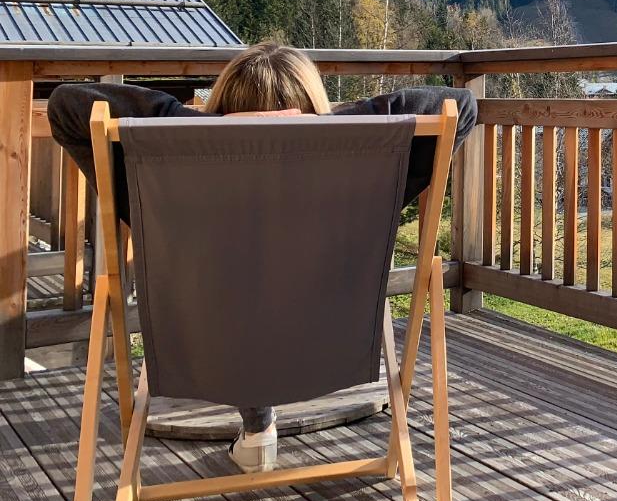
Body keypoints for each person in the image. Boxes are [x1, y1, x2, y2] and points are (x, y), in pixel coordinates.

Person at [47, 41, 476, 474]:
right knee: (268, 289)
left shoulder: (169, 176)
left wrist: (189, 127)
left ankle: (257, 428)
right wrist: (329, 127)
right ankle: (260, 428)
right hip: (323, 340)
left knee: (241, 291)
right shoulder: (355, 177)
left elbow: (67, 105)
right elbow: (461, 105)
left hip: (210, 341)